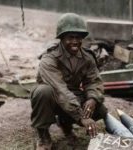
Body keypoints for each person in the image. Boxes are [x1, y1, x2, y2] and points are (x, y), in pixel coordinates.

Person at [30, 13, 107, 150]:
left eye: (78, 37)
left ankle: (66, 123)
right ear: (61, 38)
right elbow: (59, 90)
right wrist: (81, 116)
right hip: (52, 96)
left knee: (100, 110)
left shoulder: (87, 57)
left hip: (71, 96)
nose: (75, 41)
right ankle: (42, 134)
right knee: (43, 92)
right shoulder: (49, 58)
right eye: (70, 37)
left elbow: (94, 81)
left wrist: (92, 99)